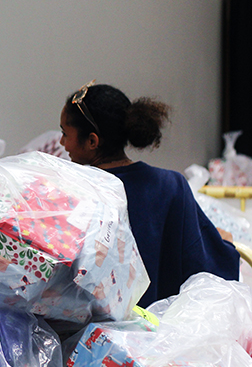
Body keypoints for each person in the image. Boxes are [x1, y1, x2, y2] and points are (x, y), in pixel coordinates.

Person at [59, 80, 239, 307]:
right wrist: (225, 244)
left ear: (92, 141)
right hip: (160, 334)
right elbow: (204, 268)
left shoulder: (72, 191)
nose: (61, 142)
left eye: (65, 133)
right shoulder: (170, 185)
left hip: (87, 338)